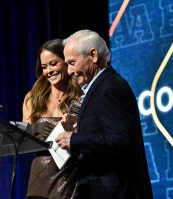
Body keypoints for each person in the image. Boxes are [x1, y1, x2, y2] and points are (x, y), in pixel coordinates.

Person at [55, 29, 154, 199]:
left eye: (72, 62)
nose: (69, 71)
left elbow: (122, 142)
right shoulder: (98, 87)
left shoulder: (111, 87)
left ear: (93, 55)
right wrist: (80, 126)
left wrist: (74, 139)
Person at [22, 39, 82, 199]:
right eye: (44, 67)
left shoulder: (80, 96)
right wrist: (33, 131)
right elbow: (21, 140)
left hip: (70, 175)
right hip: (39, 176)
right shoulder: (32, 98)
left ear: (66, 62)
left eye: (53, 63)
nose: (49, 71)